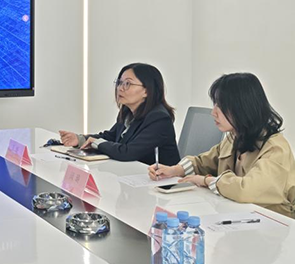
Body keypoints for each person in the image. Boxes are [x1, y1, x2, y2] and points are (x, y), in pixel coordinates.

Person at [149, 73, 295, 219]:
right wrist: (174, 170)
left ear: (243, 107)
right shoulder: (234, 137)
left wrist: (206, 181)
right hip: (237, 216)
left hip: (273, 222)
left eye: (221, 106)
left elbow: (246, 190)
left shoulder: (275, 148)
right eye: (215, 104)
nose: (213, 112)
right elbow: (203, 162)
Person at [60, 63, 180, 165]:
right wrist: (80, 139)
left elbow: (128, 152)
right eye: (119, 83)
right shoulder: (128, 112)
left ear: (147, 91)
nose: (120, 88)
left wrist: (97, 143)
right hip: (133, 175)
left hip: (161, 182)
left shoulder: (159, 118)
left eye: (127, 84)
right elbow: (111, 137)